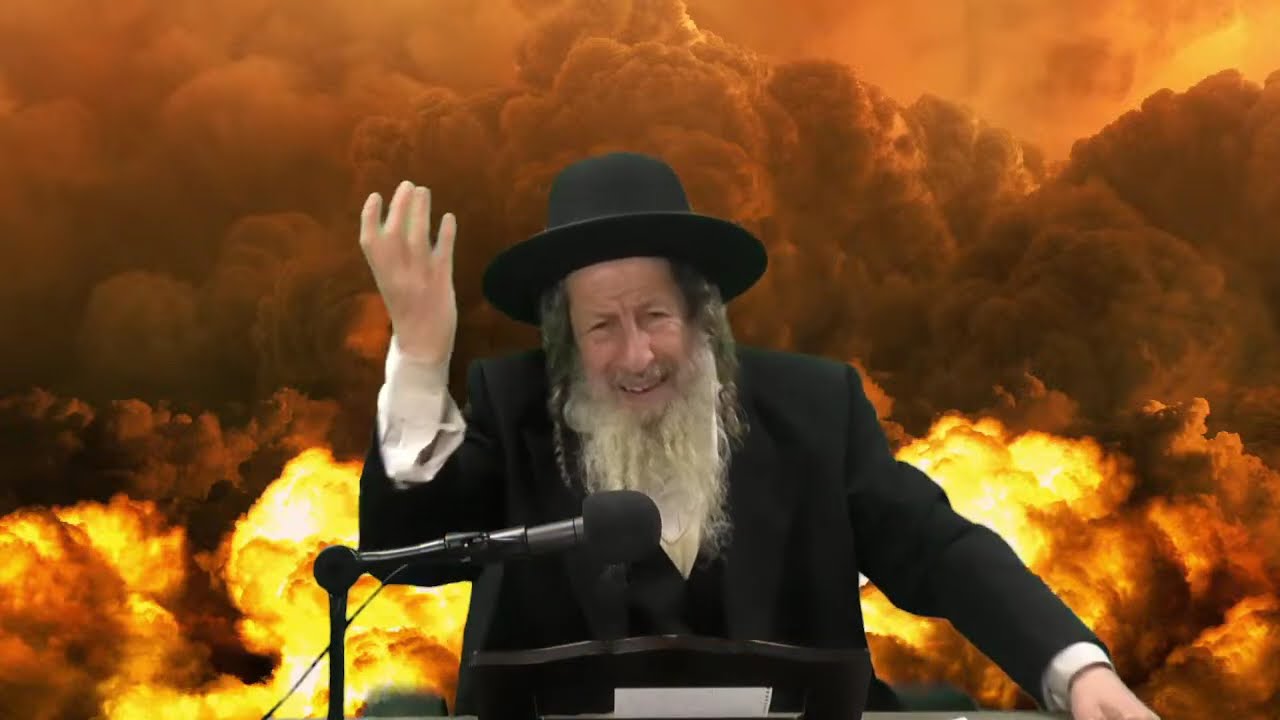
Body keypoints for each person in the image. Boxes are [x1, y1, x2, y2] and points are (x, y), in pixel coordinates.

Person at [355, 151, 1159, 719]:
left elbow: (936, 549)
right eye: (601, 327)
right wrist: (421, 356)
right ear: (566, 341)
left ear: (702, 315)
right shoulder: (516, 407)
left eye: (655, 316)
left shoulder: (816, 408)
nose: (635, 356)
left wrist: (1076, 671)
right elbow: (406, 550)